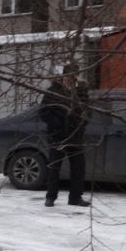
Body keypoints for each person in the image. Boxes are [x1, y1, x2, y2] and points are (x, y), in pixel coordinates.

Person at [38, 63, 90, 207]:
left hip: (76, 135)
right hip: (58, 136)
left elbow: (87, 110)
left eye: (74, 75)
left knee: (79, 169)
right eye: (68, 75)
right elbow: (43, 112)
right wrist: (58, 124)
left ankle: (75, 198)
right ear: (63, 76)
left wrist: (83, 123)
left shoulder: (82, 91)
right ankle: (51, 197)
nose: (70, 78)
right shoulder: (54, 91)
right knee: (54, 167)